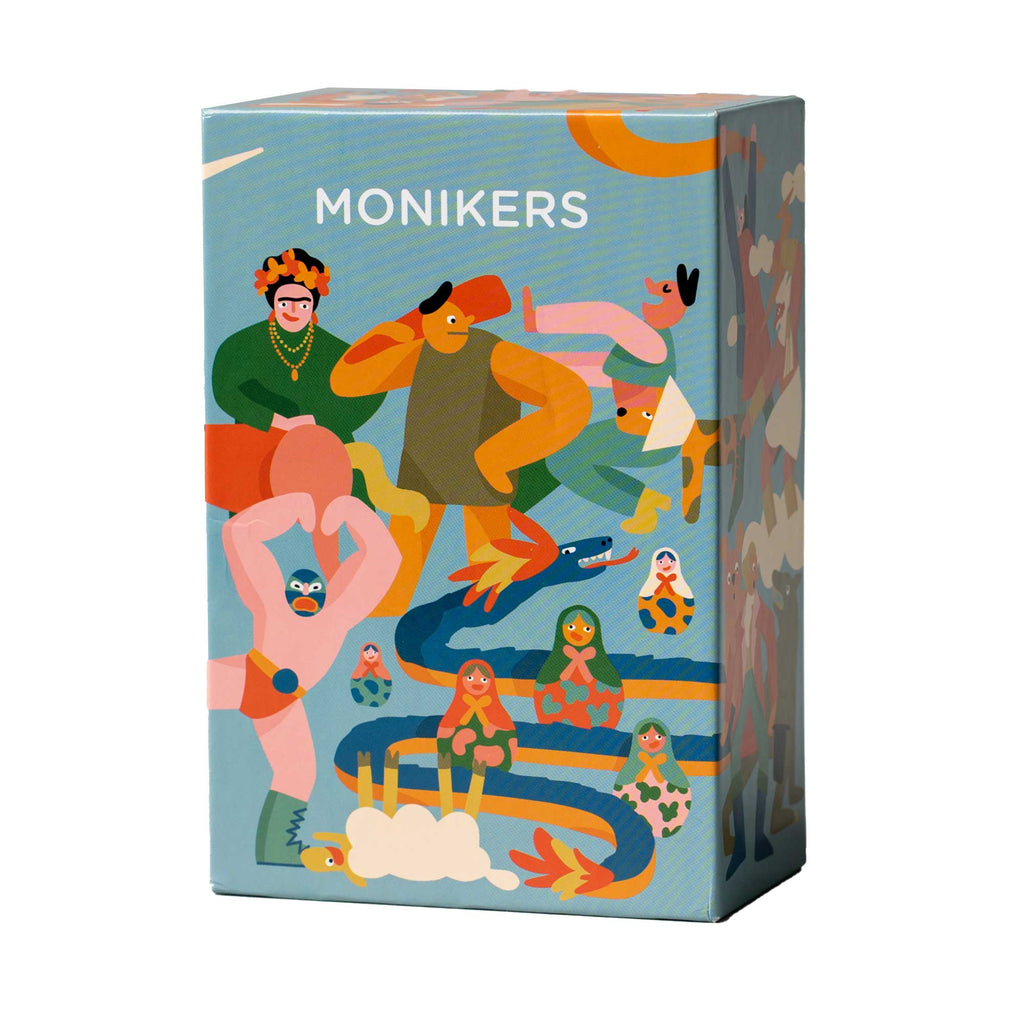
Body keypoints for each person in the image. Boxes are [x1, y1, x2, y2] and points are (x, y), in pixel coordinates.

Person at [332, 276, 591, 615]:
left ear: (468, 319)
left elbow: (571, 397)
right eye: (431, 319)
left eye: (452, 317)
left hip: (479, 478)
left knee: (490, 591)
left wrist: (499, 456)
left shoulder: (495, 353)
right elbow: (346, 381)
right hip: (422, 472)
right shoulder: (420, 352)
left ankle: (484, 620)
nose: (442, 327)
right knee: (390, 592)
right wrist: (386, 333)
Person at [207, 491, 400, 866]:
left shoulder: (338, 615)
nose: (306, 596)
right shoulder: (273, 604)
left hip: (285, 702)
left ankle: (276, 847)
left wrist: (350, 509)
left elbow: (384, 559)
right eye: (298, 589)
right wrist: (292, 506)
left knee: (298, 772)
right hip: (253, 677)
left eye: (314, 590)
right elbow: (239, 533)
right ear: (286, 590)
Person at [207, 248, 425, 574]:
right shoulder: (241, 346)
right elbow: (226, 390)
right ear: (272, 301)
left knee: (349, 502)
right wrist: (275, 420)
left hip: (325, 448)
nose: (294, 310)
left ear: (314, 304)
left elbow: (369, 389)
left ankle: (365, 571)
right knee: (245, 521)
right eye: (285, 302)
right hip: (260, 447)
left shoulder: (333, 350)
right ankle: (244, 577)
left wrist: (318, 420)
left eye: (303, 303)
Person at [523, 264, 719, 528]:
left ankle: (640, 509)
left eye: (664, 290)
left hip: (650, 437)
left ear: (678, 305)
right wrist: (533, 363)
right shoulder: (643, 350)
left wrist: (537, 320)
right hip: (642, 432)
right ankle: (645, 499)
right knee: (565, 456)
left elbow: (608, 316)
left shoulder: (653, 345)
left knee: (563, 460)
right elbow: (592, 368)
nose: (651, 290)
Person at [533, 605, 623, 729]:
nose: (578, 633)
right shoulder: (554, 664)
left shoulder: (602, 667)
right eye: (571, 627)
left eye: (587, 629)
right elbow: (543, 688)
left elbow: (613, 693)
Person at [613, 719, 692, 837]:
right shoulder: (631, 768)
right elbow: (622, 788)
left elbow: (681, 789)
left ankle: (662, 828)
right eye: (645, 737)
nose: (652, 741)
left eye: (658, 737)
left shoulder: (670, 766)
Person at [436, 660, 517, 771]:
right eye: (470, 678)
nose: (477, 683)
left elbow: (508, 735)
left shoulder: (496, 710)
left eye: (484, 679)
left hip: (489, 757)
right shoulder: (456, 709)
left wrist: (493, 729)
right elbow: (445, 732)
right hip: (460, 761)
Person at [637, 547, 695, 634]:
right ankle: (654, 623)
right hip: (655, 618)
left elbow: (688, 602)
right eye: (661, 562)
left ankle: (671, 625)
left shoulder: (680, 585)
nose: (666, 565)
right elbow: (644, 600)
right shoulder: (650, 584)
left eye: (671, 561)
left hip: (676, 620)